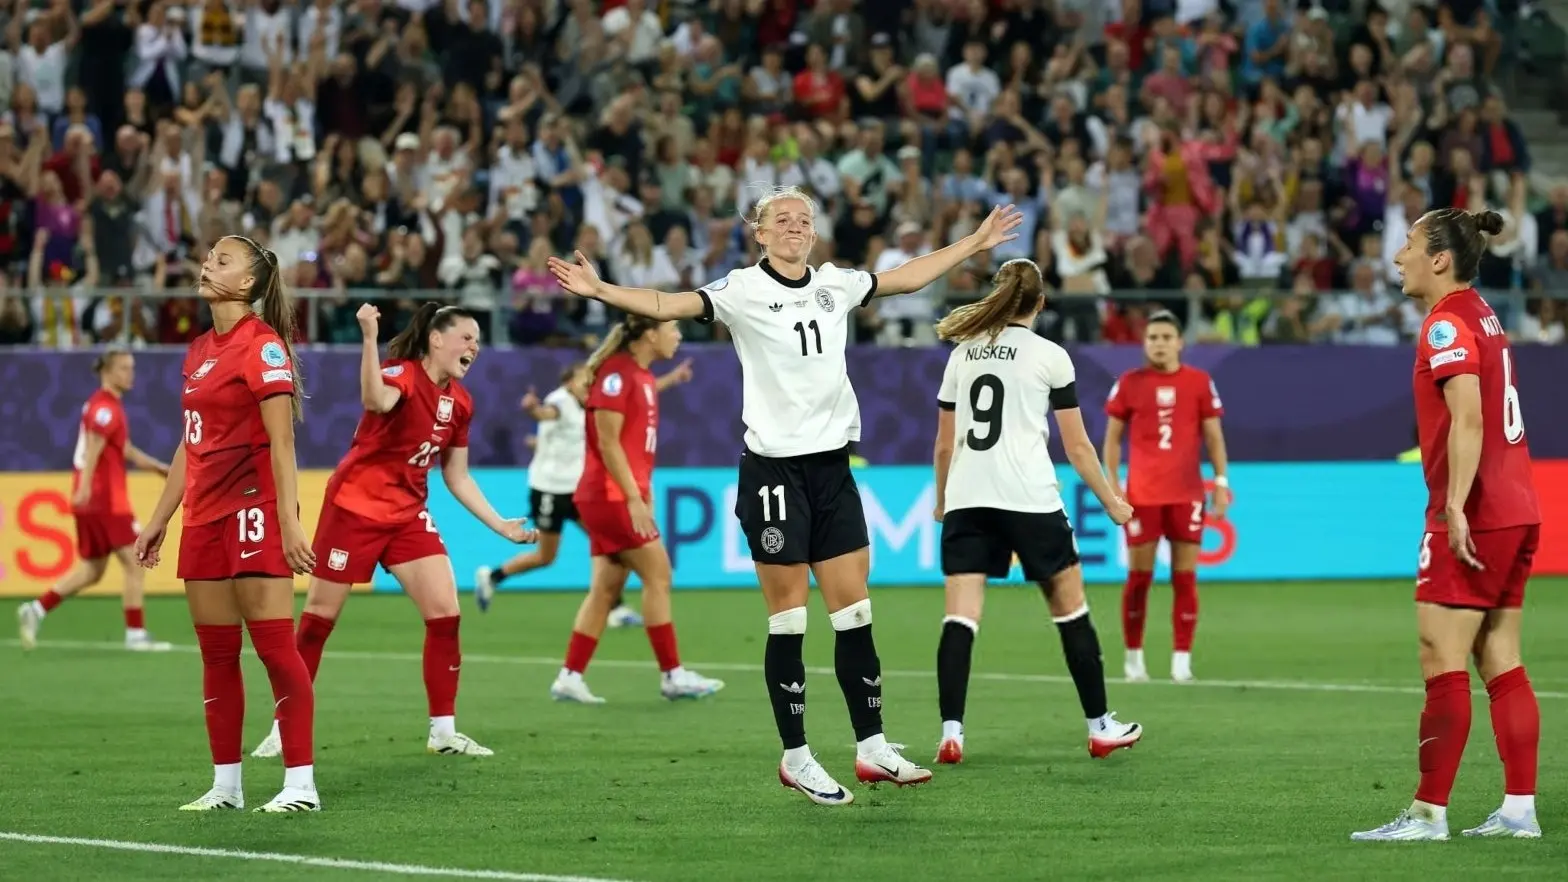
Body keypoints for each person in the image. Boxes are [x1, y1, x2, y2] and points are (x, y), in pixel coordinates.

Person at [549, 186, 1023, 806]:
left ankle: (872, 746)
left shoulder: (835, 285)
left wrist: (975, 243)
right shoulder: (742, 290)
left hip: (832, 471)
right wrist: (603, 291)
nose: (796, 226)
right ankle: (796, 757)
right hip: (775, 475)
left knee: (855, 613)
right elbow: (668, 302)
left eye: (804, 219)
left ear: (814, 232)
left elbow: (906, 277)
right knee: (790, 618)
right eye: (783, 219)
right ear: (761, 233)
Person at [250, 302, 535, 760]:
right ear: (436, 340)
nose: (475, 347)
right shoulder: (402, 374)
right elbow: (375, 400)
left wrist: (500, 524)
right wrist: (369, 338)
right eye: (467, 337)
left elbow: (457, 476)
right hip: (354, 508)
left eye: (479, 341)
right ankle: (283, 728)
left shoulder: (461, 403)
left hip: (406, 514)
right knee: (319, 620)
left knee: (445, 613)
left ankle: (443, 732)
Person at [1352, 208, 1542, 841]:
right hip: (1518, 507)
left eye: (1408, 244)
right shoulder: (1484, 314)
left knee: (1440, 655)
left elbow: (1468, 418)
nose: (1397, 256)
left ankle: (1428, 813)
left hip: (1476, 512)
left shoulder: (1445, 323)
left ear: (1439, 259)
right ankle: (1518, 810)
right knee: (1501, 657)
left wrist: (1455, 505)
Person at [134, 235, 320, 813]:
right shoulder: (197, 351)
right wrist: (160, 519)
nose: (207, 264)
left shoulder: (262, 347)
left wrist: (288, 520)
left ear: (248, 282)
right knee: (216, 655)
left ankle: (301, 785)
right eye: (208, 257)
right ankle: (226, 787)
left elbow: (282, 441)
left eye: (222, 260)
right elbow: (191, 444)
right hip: (204, 517)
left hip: (253, 510)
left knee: (274, 649)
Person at [930, 259, 1142, 764]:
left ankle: (951, 734)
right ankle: (1100, 727)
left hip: (968, 498)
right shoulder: (1051, 356)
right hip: (1029, 498)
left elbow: (943, 445)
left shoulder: (962, 353)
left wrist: (942, 500)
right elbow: (1078, 447)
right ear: (1041, 303)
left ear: (998, 297)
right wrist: (1112, 501)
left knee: (960, 618)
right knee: (1071, 611)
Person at [547, 315, 725, 704]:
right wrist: (632, 497)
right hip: (609, 496)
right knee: (658, 574)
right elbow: (607, 442)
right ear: (649, 334)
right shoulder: (617, 374)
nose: (678, 336)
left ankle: (570, 676)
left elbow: (632, 446)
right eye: (672, 328)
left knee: (605, 588)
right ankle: (672, 675)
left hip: (614, 495)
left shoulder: (640, 376)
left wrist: (644, 492)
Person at [473, 354, 696, 623]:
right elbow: (545, 413)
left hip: (578, 492)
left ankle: (615, 609)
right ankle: (492, 577)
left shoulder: (592, 402)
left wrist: (673, 378)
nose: (589, 383)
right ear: (568, 383)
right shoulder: (559, 401)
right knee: (546, 556)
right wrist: (533, 409)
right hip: (549, 491)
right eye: (583, 379)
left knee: (611, 544)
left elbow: (640, 393)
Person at [1101, 310, 1231, 683]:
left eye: (1165, 337)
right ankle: (1134, 659)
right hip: (1142, 495)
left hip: (1187, 494)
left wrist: (1221, 482)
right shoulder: (1129, 383)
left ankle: (1181, 662)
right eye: (1152, 338)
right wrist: (1113, 484)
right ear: (1145, 344)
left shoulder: (1199, 382)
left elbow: (1214, 437)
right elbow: (1112, 439)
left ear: (1179, 343)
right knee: (1139, 578)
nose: (1159, 344)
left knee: (1184, 577)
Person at [17, 348, 172, 651]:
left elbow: (123, 448)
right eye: (125, 368)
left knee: (93, 570)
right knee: (136, 561)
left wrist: (159, 468)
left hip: (94, 499)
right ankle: (136, 634)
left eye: (132, 368)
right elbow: (93, 449)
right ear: (108, 371)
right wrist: (86, 487)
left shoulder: (101, 405)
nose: (131, 374)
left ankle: (36, 609)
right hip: (105, 500)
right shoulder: (106, 409)